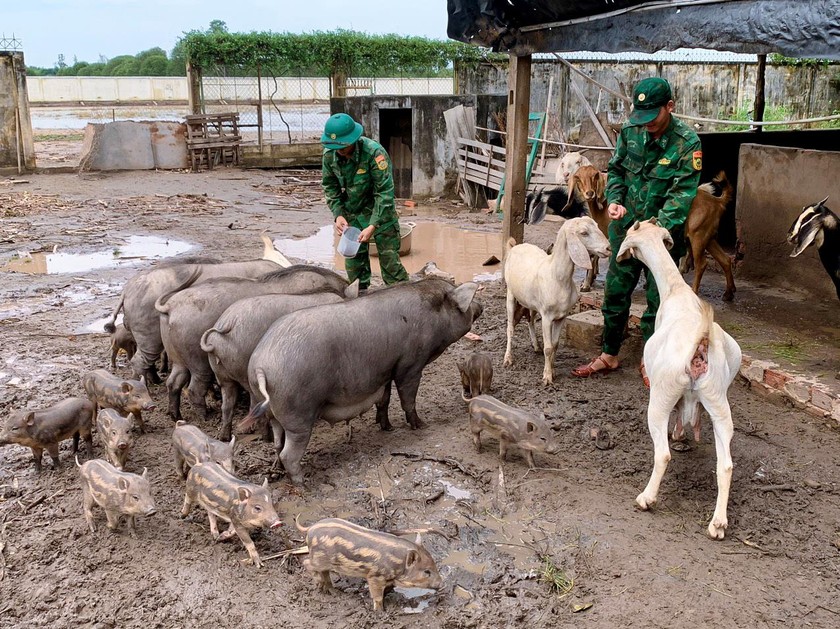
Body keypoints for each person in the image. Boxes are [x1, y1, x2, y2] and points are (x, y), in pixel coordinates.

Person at [571, 77, 702, 386]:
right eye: (640, 117)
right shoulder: (631, 132)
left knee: (658, 301)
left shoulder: (687, 143)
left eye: (652, 117)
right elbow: (615, 170)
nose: (646, 125)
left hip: (662, 237)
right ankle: (609, 354)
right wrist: (614, 200)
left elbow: (682, 194)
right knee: (615, 292)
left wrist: (656, 229)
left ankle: (650, 359)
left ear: (669, 107)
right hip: (625, 230)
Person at [321, 113, 409, 290]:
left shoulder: (374, 153)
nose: (339, 150)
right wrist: (338, 214)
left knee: (391, 265)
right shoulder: (329, 155)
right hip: (352, 215)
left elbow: (384, 192)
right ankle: (359, 301)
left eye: (343, 146)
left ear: (353, 139)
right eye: (335, 146)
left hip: (381, 216)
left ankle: (404, 302)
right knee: (355, 269)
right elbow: (330, 187)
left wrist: (373, 225)